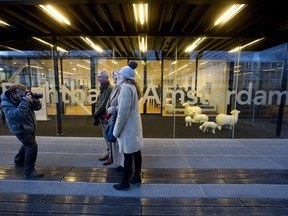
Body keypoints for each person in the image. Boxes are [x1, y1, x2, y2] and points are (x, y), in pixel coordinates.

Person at [0, 84, 43, 178]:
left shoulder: (22, 98)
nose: (23, 96)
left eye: (24, 94)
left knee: (27, 144)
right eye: (21, 95)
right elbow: (17, 116)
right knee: (32, 146)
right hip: (20, 128)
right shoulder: (5, 103)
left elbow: (37, 108)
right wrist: (25, 101)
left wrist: (35, 101)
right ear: (13, 93)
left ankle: (19, 161)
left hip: (29, 126)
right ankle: (29, 171)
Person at [112, 62, 143, 190]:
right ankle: (136, 177)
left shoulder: (125, 88)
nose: (118, 77)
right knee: (136, 152)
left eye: (120, 75)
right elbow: (127, 106)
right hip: (134, 126)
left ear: (124, 76)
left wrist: (115, 131)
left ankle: (125, 182)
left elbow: (123, 113)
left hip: (128, 127)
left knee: (128, 155)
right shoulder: (133, 87)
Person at [105, 69, 124, 172]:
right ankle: (119, 163)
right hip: (112, 117)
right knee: (115, 143)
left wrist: (112, 109)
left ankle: (123, 165)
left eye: (114, 75)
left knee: (119, 143)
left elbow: (122, 106)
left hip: (117, 117)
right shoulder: (115, 88)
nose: (113, 77)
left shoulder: (122, 88)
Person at [93, 71, 113, 165]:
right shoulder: (103, 89)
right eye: (98, 77)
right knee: (105, 136)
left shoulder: (109, 89)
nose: (98, 79)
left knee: (109, 137)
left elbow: (104, 103)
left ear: (106, 78)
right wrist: (97, 114)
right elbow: (98, 102)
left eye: (100, 77)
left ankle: (111, 156)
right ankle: (108, 153)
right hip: (102, 116)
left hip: (106, 117)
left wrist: (96, 114)